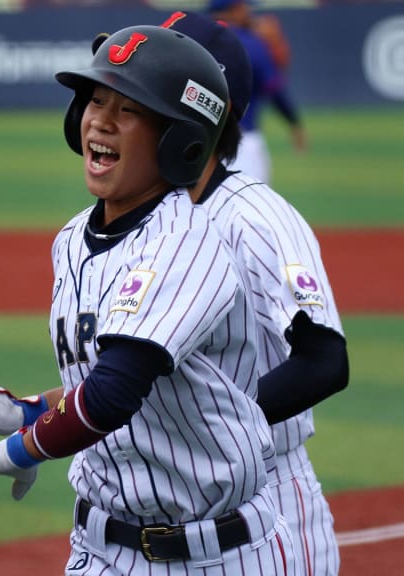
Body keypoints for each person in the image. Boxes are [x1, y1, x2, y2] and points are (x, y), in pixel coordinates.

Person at [0, 25, 294, 574]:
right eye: (95, 100)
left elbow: (112, 395)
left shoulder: (188, 245)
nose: (99, 119)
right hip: (100, 549)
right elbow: (97, 384)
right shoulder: (73, 239)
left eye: (128, 109)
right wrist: (22, 410)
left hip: (217, 555)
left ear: (178, 139)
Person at [162, 12, 348, 575]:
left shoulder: (255, 218)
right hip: (172, 511)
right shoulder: (150, 219)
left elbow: (325, 360)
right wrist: (31, 416)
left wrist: (212, 428)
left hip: (270, 498)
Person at [208, 0, 306, 184]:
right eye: (245, 7)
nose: (249, 13)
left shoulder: (195, 40)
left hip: (200, 144)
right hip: (241, 144)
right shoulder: (251, 44)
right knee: (250, 208)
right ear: (234, 10)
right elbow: (274, 88)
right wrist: (294, 123)